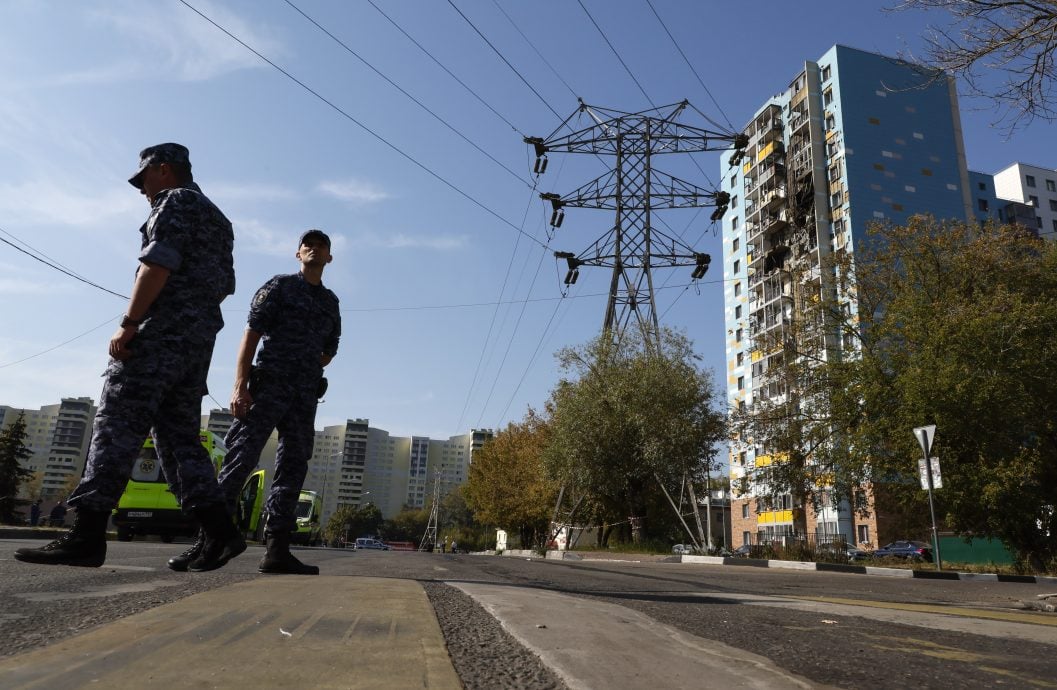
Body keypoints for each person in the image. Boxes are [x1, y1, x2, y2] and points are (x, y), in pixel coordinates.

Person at [16, 143, 242, 571]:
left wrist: (130, 322)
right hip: (197, 341)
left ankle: (86, 536)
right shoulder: (218, 218)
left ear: (163, 170)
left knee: (116, 425)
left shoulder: (174, 201)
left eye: (144, 179)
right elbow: (225, 284)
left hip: (159, 335)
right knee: (178, 440)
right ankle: (220, 532)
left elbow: (157, 265)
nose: (141, 190)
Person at [169, 230, 340, 575]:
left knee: (293, 468)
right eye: (307, 244)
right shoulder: (279, 287)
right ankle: (210, 540)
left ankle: (277, 549)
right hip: (267, 388)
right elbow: (251, 334)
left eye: (320, 245)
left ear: (329, 258)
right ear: (298, 254)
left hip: (304, 396)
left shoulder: (330, 302)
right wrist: (240, 385)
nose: (313, 248)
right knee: (239, 460)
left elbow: (329, 351)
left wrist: (304, 367)